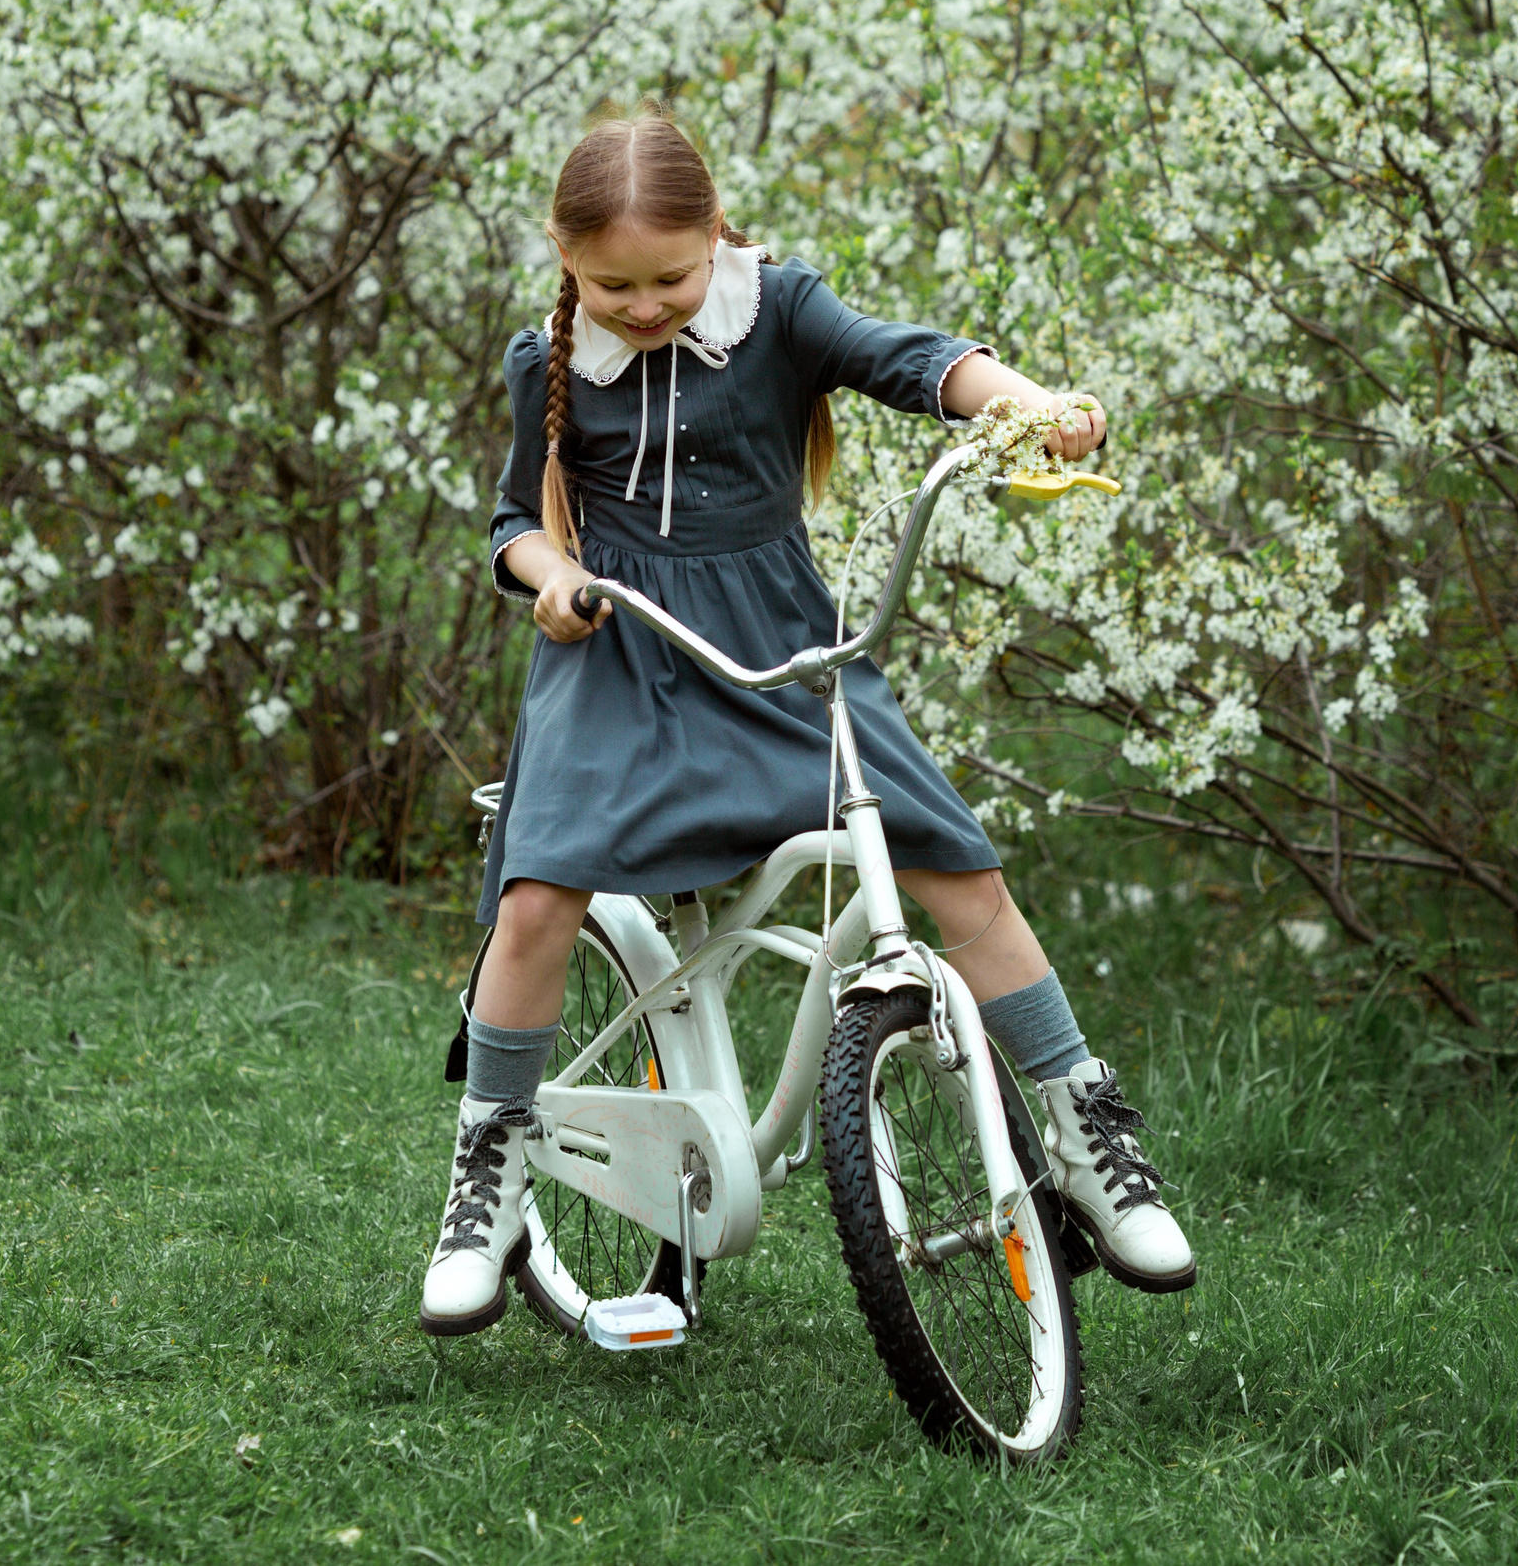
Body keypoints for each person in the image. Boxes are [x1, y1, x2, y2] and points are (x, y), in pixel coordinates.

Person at [421, 107, 1194, 1336]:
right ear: (567, 261)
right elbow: (518, 522)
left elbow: (915, 358)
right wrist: (550, 583)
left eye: (669, 278)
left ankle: (1085, 1133)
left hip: (784, 640)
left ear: (713, 237)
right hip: (620, 646)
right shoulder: (550, 362)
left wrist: (1027, 402)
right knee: (537, 894)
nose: (643, 305)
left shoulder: (777, 309)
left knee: (959, 873)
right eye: (609, 283)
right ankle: (488, 1171)